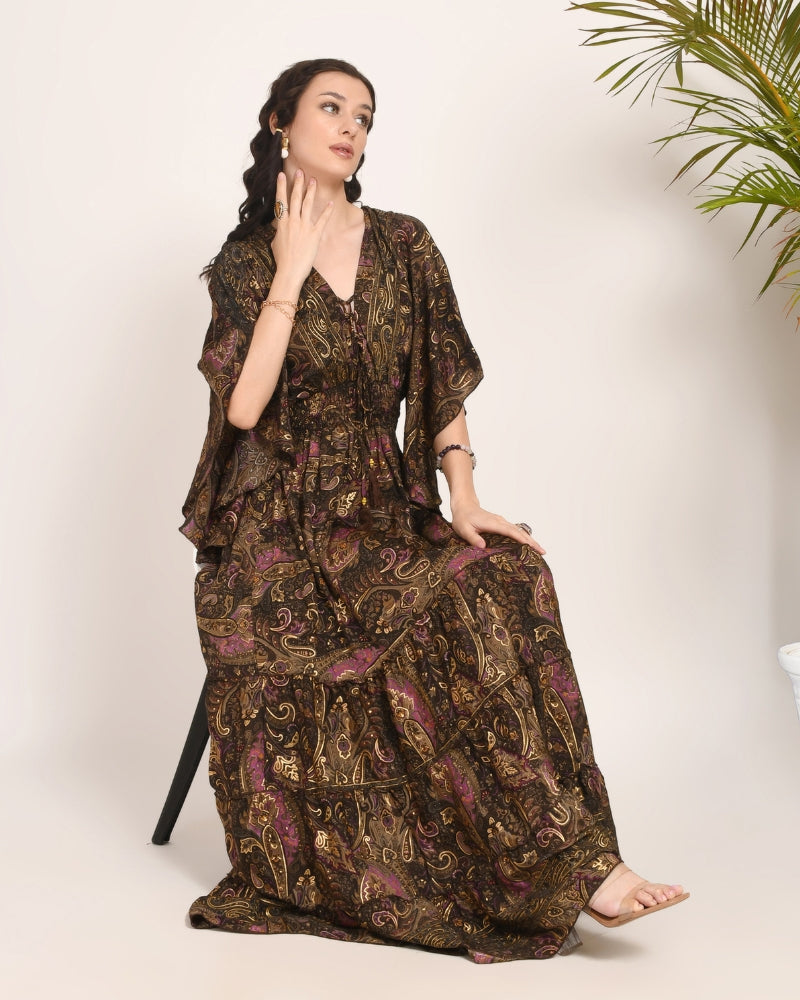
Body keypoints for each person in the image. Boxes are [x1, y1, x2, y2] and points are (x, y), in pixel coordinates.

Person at [179, 57, 688, 963]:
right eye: (331, 107)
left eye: (365, 116)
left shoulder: (405, 244)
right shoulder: (247, 263)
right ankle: (563, 870)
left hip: (384, 507)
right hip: (283, 526)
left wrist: (466, 497)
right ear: (281, 122)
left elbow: (441, 379)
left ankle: (570, 860)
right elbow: (246, 407)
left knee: (510, 574)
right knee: (447, 602)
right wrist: (290, 268)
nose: (351, 127)